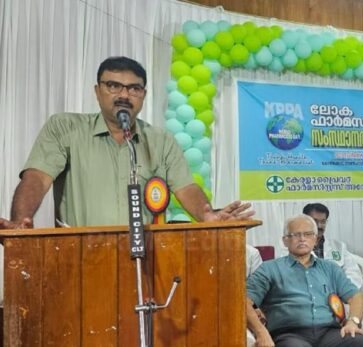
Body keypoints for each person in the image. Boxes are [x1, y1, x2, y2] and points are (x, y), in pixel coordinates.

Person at [0, 56, 252, 229]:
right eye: (113, 86)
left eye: (134, 88)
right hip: (80, 258)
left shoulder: (161, 140)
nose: (124, 95)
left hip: (145, 260)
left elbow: (186, 188)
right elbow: (37, 178)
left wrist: (207, 214)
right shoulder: (65, 127)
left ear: (143, 94)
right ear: (97, 91)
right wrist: (21, 220)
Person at [246, 214, 363, 347]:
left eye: (308, 234)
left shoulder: (330, 268)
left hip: (328, 334)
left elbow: (356, 297)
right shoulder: (269, 268)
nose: (302, 239)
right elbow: (243, 302)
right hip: (289, 335)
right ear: (285, 241)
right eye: (295, 235)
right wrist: (261, 332)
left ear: (315, 239)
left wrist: (353, 321)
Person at [302, 203, 363, 289]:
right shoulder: (293, 248)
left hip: (339, 294)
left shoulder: (339, 246)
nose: (319, 226)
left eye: (323, 221)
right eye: (315, 221)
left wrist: (342, 290)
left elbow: (354, 274)